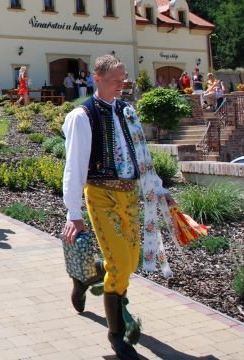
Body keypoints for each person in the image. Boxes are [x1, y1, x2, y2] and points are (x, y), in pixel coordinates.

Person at [62, 55, 177, 360]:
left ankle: (86, 277)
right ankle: (117, 337)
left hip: (129, 196)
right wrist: (74, 213)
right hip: (101, 195)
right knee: (122, 264)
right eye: (116, 80)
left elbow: (142, 156)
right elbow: (73, 167)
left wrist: (160, 190)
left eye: (124, 79)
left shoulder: (127, 111)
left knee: (130, 260)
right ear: (96, 79)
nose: (122, 85)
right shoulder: (82, 116)